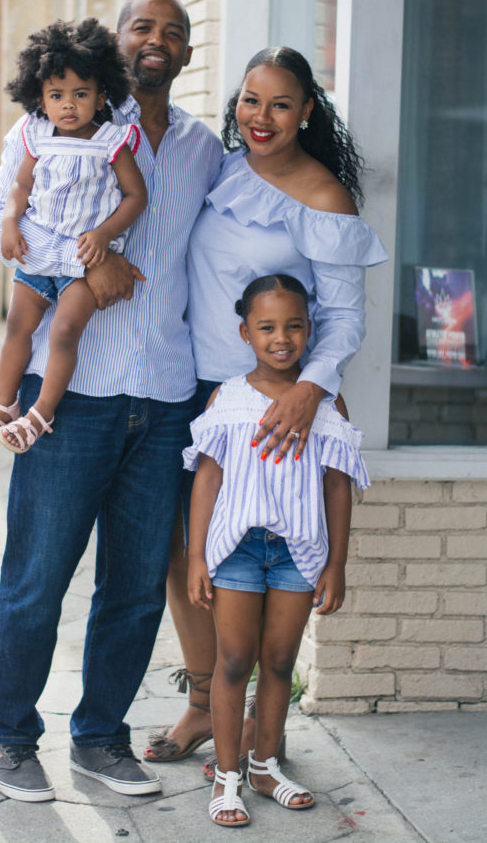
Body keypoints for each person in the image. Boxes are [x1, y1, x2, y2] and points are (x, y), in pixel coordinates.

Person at [0, 0, 223, 801]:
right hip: (72, 397)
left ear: (186, 55)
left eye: (173, 34)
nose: (158, 41)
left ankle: (101, 738)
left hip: (166, 398)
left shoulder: (201, 149)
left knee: (136, 584)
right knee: (39, 575)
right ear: (119, 44)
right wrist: (85, 260)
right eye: (143, 27)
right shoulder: (54, 120)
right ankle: (11, 737)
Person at [144, 47, 386, 774]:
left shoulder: (324, 197)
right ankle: (204, 698)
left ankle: (254, 721)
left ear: (308, 110)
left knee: (257, 548)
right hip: (199, 390)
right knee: (179, 550)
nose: (261, 117)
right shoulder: (221, 169)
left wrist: (310, 390)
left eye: (280, 103)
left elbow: (342, 318)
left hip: (281, 404)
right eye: (251, 100)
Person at [185, 274, 369, 826]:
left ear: (310, 332)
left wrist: (336, 562)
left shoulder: (326, 398)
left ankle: (264, 766)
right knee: (235, 660)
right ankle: (226, 777)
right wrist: (196, 555)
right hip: (238, 548)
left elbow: (337, 483)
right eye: (267, 327)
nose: (281, 337)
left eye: (293, 326)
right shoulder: (229, 395)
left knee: (281, 661)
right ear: (246, 332)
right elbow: (207, 479)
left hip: (297, 551)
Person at [0, 18, 147, 453]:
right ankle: (2, 404)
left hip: (84, 268)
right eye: (56, 95)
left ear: (101, 95)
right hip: (40, 258)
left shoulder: (112, 142)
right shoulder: (36, 137)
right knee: (17, 327)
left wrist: (104, 235)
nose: (68, 105)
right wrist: (11, 220)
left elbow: (135, 196)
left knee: (64, 330)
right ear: (41, 100)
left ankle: (41, 413)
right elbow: (20, 188)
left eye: (80, 94)